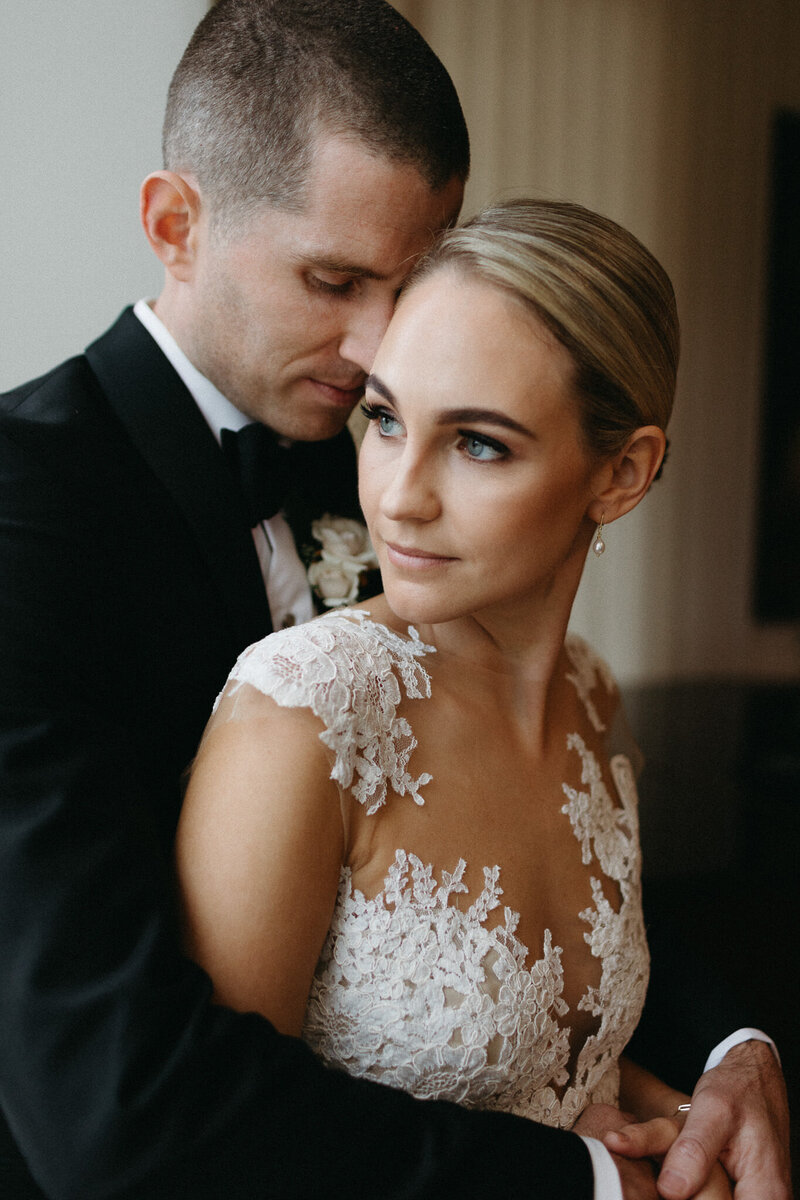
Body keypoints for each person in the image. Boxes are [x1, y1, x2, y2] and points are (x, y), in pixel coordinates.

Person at [0, 0, 790, 1197]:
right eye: (333, 279)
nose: (380, 347)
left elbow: (512, 878)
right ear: (175, 225)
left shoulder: (386, 455)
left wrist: (732, 1047)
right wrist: (586, 1184)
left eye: (408, 282)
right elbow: (121, 1107)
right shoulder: (26, 521)